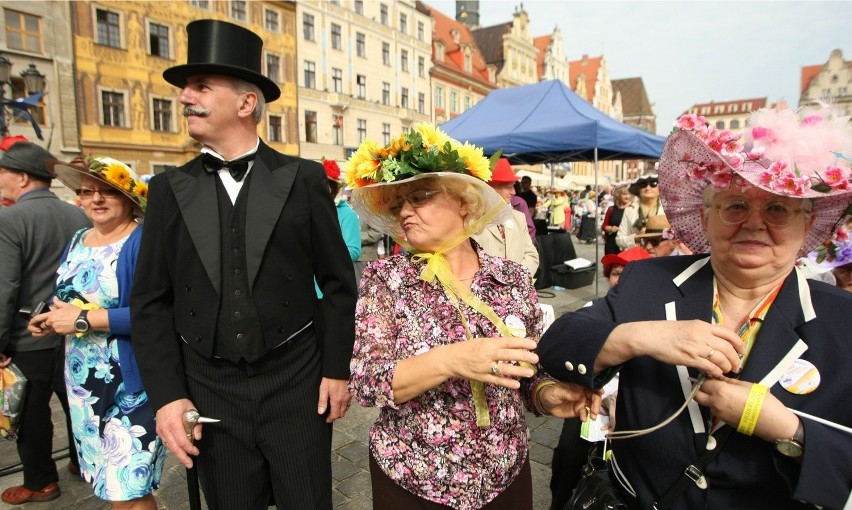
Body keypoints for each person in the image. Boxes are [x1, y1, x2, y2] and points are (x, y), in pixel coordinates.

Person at [539, 104, 852, 509]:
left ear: (807, 224)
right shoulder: (649, 281)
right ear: (706, 218)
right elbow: (559, 342)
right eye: (735, 205)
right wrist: (643, 336)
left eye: (778, 208)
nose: (755, 223)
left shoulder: (842, 320)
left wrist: (788, 430)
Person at [129, 20, 357, 509]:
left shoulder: (303, 178)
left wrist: (337, 369)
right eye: (186, 88)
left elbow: (339, 283)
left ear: (246, 102)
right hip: (209, 389)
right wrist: (168, 396)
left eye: (201, 87)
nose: (185, 96)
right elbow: (150, 301)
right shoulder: (168, 190)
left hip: (297, 382)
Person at [346, 124, 599, 509]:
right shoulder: (386, 279)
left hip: (504, 473)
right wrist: (453, 359)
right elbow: (367, 383)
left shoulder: (510, 277)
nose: (406, 212)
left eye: (419, 196)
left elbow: (531, 369)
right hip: (414, 478)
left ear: (463, 200)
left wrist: (547, 394)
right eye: (399, 205)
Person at [29, 156, 164, 509]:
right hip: (84, 386)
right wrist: (51, 317)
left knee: (127, 490)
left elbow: (160, 314)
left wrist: (83, 321)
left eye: (109, 191)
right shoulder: (78, 238)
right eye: (87, 192)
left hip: (130, 384)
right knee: (108, 484)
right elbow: (72, 296)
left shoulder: (143, 240)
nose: (96, 199)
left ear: (130, 198)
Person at [0, 142, 89, 504]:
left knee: (32, 416)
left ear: (21, 177)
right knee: (76, 406)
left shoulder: (8, 220)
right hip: (74, 331)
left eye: (3, 173)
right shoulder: (78, 216)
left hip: (29, 336)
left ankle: (40, 482)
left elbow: (4, 287)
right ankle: (81, 461)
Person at [549, 245, 650, 510]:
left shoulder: (657, 322)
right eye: (617, 273)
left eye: (630, 275)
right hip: (587, 408)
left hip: (630, 420)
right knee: (568, 462)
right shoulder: (592, 310)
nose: (622, 280)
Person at [473, 158, 539, 276]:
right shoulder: (471, 220)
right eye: (509, 187)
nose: (513, 192)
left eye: (513, 186)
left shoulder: (519, 218)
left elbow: (531, 254)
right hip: (484, 291)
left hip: (517, 289)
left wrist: (517, 279)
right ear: (490, 188)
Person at [318, 158, 361, 292]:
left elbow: (353, 251)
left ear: (333, 188)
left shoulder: (347, 214)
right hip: (307, 289)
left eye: (325, 184)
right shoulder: (311, 211)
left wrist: (320, 254)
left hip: (332, 288)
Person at [615, 173, 664, 250]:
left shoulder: (668, 209)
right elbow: (619, 239)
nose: (648, 188)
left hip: (662, 255)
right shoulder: (629, 210)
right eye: (643, 185)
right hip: (637, 255)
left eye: (653, 184)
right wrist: (636, 237)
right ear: (638, 190)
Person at [601, 185, 633, 255]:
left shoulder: (633, 209)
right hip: (612, 242)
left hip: (628, 242)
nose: (627, 196)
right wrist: (610, 228)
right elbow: (604, 226)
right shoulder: (611, 209)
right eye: (624, 194)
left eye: (628, 194)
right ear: (618, 195)